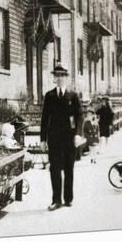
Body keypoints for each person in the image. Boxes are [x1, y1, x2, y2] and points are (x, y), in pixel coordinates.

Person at [40, 63, 82, 211]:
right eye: (56, 76)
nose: (59, 78)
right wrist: (43, 140)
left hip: (69, 139)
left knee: (69, 168)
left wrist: (77, 134)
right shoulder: (49, 96)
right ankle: (56, 200)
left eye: (62, 76)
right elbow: (45, 119)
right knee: (55, 169)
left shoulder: (73, 95)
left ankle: (68, 198)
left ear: (66, 78)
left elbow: (79, 117)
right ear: (54, 78)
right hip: (54, 139)